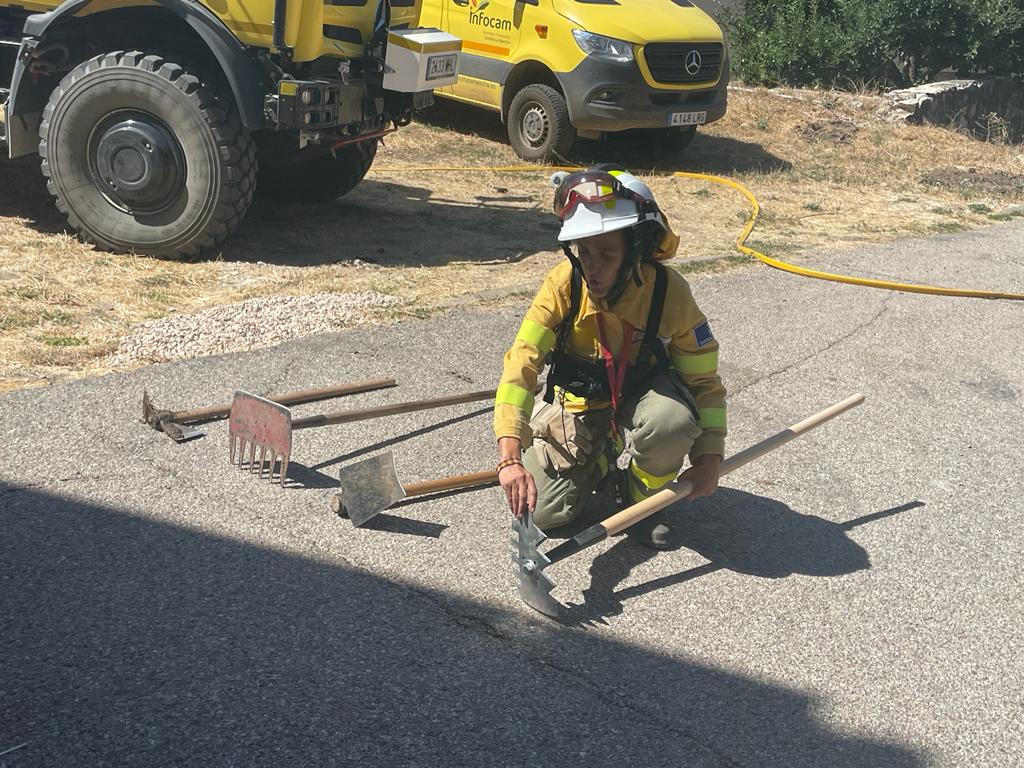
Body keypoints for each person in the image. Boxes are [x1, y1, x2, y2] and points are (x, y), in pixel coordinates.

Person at [493, 166, 726, 549]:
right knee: (548, 513)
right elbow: (521, 365)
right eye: (583, 251)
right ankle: (604, 455)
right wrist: (509, 456)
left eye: (606, 253)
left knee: (671, 423)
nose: (592, 267)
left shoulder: (669, 295)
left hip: (640, 402)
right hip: (581, 407)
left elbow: (704, 382)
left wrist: (709, 456)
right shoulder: (563, 285)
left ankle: (640, 498)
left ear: (635, 250)